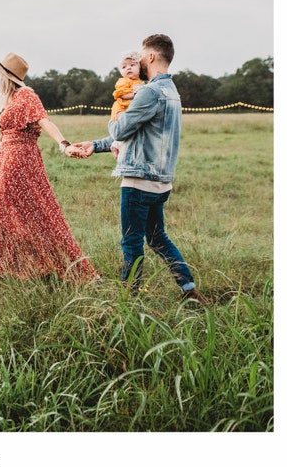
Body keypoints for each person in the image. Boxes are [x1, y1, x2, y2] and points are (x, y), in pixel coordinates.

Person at [70, 34, 205, 302]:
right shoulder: (171, 92)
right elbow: (137, 134)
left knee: (131, 242)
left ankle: (128, 300)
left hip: (138, 181)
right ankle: (189, 290)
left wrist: (115, 116)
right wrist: (95, 145)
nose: (139, 60)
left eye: (142, 55)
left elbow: (120, 128)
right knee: (157, 239)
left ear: (151, 57)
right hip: (161, 181)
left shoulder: (149, 92)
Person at [0, 53, 100, 281]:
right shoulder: (11, 101)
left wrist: (64, 145)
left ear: (6, 77)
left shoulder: (27, 95)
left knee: (37, 214)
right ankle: (12, 269)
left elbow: (45, 120)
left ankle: (47, 267)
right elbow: (2, 140)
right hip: (7, 162)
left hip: (21, 162)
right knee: (5, 215)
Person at [110, 51, 145, 120]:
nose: (128, 68)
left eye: (132, 65)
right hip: (122, 108)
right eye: (124, 67)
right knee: (124, 120)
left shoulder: (141, 82)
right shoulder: (123, 81)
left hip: (132, 108)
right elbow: (122, 94)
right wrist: (133, 95)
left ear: (139, 67)